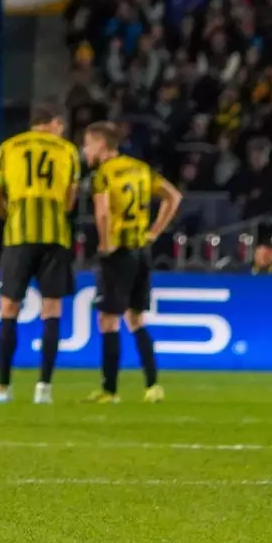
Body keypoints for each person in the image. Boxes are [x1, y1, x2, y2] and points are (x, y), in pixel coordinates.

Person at [0, 104, 82, 405]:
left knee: (8, 309)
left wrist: (12, 217)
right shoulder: (68, 151)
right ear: (55, 123)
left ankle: (3, 387)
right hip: (55, 238)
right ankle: (44, 388)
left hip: (18, 237)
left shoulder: (7, 148)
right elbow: (70, 201)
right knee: (51, 309)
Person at [81, 122, 182, 404]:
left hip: (118, 252)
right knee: (136, 319)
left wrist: (105, 244)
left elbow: (102, 213)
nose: (85, 150)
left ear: (101, 145)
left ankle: (110, 390)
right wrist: (154, 232)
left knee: (108, 320)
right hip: (141, 251)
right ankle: (153, 385)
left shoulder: (102, 175)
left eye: (88, 144)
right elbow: (174, 197)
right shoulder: (140, 168)